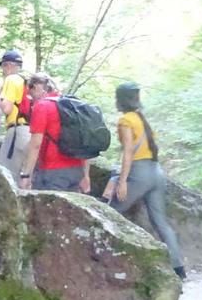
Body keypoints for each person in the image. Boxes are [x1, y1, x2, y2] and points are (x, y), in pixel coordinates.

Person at [108, 82, 186, 279]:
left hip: (139, 172)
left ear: (121, 100)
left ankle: (106, 256)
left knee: (110, 212)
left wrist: (123, 181)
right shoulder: (142, 119)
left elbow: (127, 152)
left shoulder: (126, 120)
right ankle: (179, 268)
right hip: (156, 172)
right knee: (161, 223)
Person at [16, 72, 91, 193]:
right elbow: (85, 144)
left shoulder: (42, 106)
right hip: (76, 170)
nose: (31, 99)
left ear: (35, 87)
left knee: (45, 210)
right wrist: (86, 175)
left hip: (52, 171)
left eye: (30, 95)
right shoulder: (71, 105)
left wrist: (26, 175)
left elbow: (35, 145)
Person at [0, 50, 32, 180]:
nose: (3, 70)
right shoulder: (27, 81)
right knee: (25, 178)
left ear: (8, 66)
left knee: (7, 176)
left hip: (17, 131)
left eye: (3, 66)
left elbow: (7, 109)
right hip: (31, 133)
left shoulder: (11, 79)